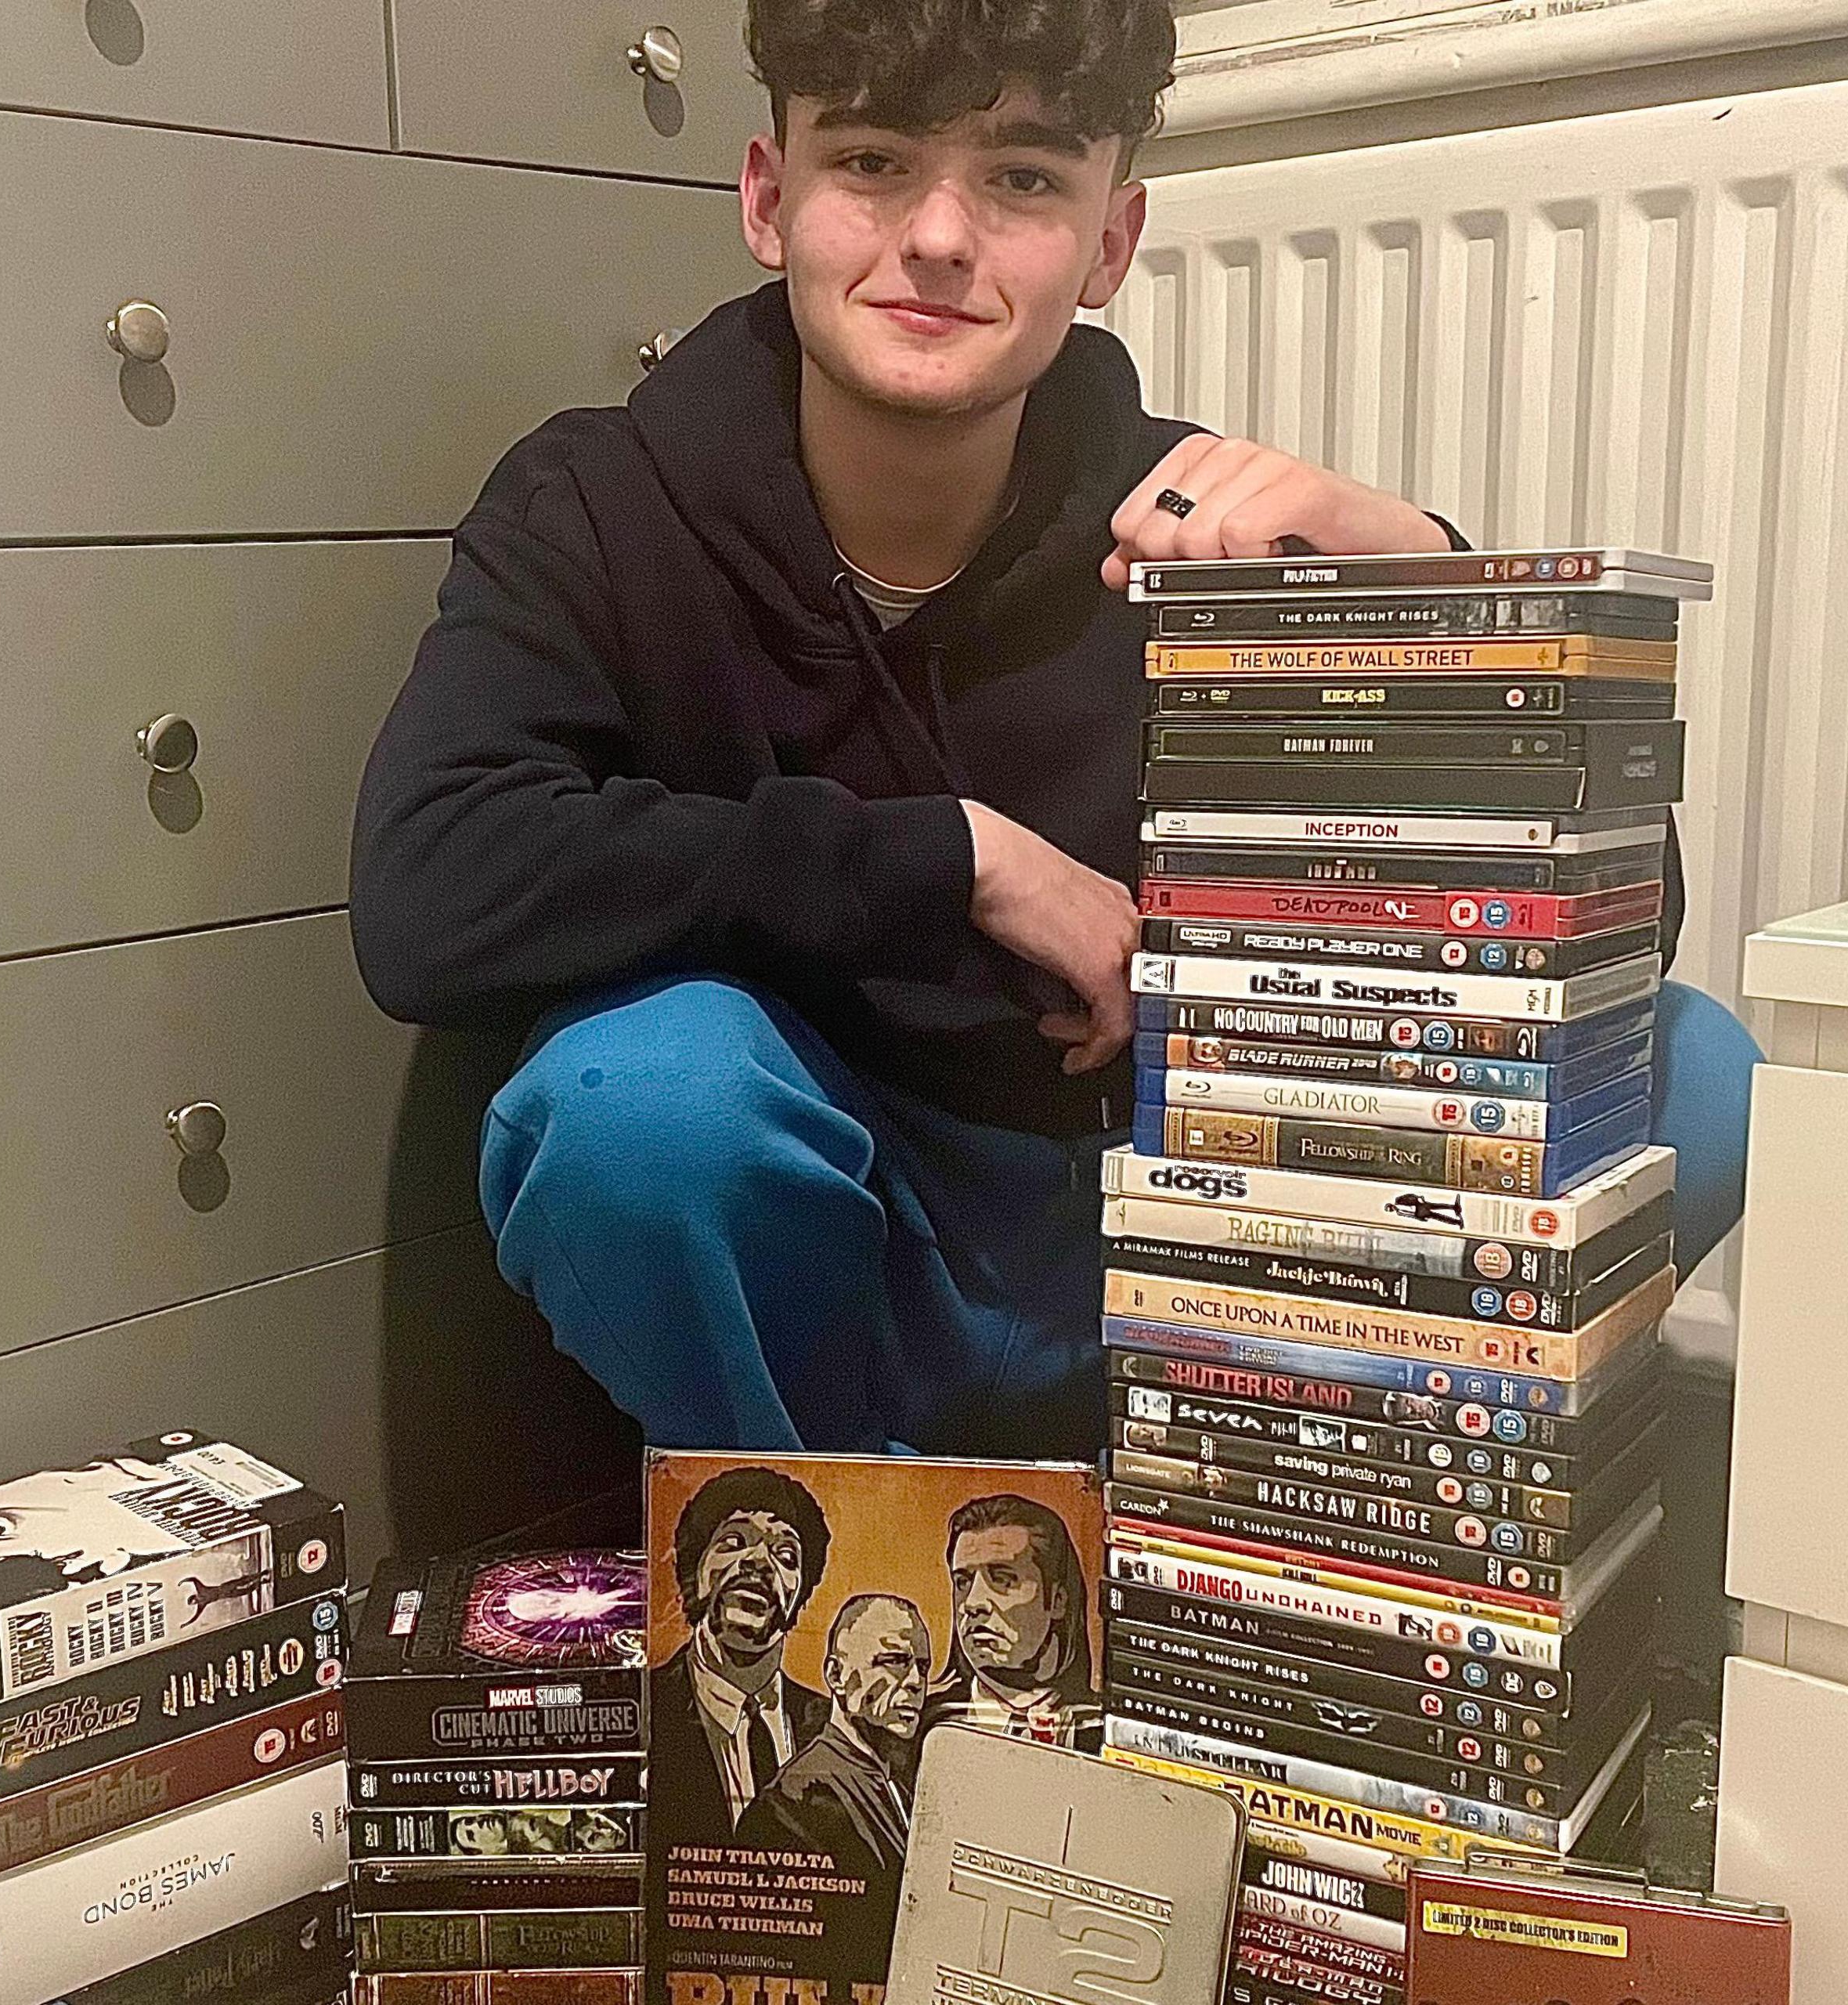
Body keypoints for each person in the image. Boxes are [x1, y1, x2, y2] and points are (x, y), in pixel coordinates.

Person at [349, 0, 1749, 1458]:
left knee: (1689, 1074)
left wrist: (1420, 573)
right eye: (875, 161)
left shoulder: (1199, 529)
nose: (941, 237)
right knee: (642, 1106)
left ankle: (1272, 1562)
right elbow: (429, 889)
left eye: (1022, 178)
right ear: (771, 199)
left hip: (1191, 1234)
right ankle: (851, 1572)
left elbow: (1617, 927)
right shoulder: (598, 502)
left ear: (1110, 242)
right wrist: (959, 861)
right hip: (846, 1252)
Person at [738, 1592, 933, 1971]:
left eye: (923, 1668)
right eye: (894, 1661)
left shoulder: (902, 1783)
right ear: (836, 1675)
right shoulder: (790, 1806)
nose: (914, 1682)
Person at [649, 1466, 836, 1844]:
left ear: (800, 1593)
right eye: (734, 1542)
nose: (758, 1562)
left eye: (786, 1555)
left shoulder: (833, 1730)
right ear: (694, 1569)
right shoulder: (645, 1708)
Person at [919, 1493, 1097, 1747]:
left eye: (1003, 1579)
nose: (973, 1603)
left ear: (1057, 1600)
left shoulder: (1103, 1727)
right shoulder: (920, 1726)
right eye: (963, 1582)